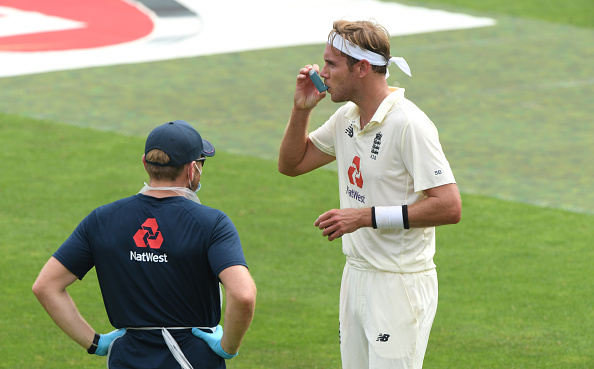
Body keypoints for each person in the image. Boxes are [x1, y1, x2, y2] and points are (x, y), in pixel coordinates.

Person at [278, 20, 462, 369]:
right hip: (356, 275)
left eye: (332, 64)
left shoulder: (409, 124)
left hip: (399, 284)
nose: (323, 72)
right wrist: (301, 110)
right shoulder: (347, 117)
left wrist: (365, 217)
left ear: (361, 68)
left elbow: (449, 206)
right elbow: (292, 163)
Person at [33, 120, 257, 369]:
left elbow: (46, 286)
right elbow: (243, 295)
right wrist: (227, 347)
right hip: (193, 359)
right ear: (192, 169)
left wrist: (95, 343)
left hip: (126, 358)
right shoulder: (213, 223)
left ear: (145, 163)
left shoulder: (102, 219)